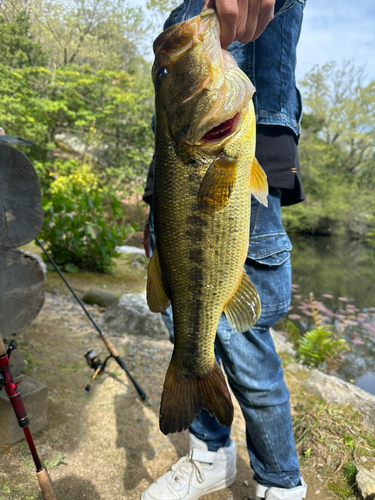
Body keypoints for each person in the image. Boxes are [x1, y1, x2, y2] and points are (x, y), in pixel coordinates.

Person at [142, 0, 307, 499]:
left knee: (245, 341)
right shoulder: (190, 14)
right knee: (183, 320)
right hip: (175, 186)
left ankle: (281, 481)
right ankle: (210, 454)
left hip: (235, 167)